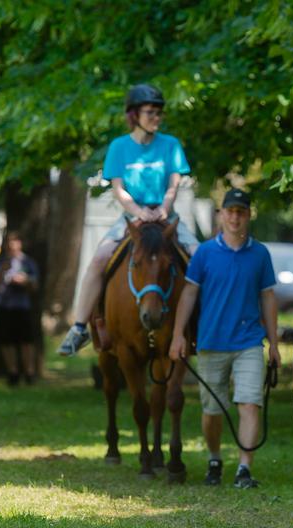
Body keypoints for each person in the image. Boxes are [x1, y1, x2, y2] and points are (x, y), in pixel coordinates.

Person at [58, 83, 200, 356]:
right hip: (132, 216)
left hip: (165, 214)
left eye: (159, 112)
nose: (156, 118)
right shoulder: (119, 147)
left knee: (201, 257)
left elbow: (174, 183)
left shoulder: (171, 145)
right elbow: (118, 190)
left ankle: (201, 328)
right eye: (150, 112)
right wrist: (139, 212)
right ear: (134, 115)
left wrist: (164, 208)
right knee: (99, 259)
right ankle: (79, 328)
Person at [169, 188, 280, 488]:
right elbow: (189, 294)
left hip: (249, 343)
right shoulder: (204, 252)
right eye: (229, 211)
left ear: (247, 216)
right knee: (212, 410)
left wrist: (274, 344)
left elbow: (268, 298)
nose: (234, 217)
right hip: (211, 341)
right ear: (220, 215)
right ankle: (214, 458)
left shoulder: (260, 254)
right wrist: (178, 335)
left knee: (249, 404)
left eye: (240, 212)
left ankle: (244, 469)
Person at [0, 231, 39, 385]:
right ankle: (12, 372)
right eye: (9, 245)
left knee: (26, 341)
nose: (11, 248)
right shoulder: (0, 263)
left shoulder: (28, 263)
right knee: (6, 342)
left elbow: (35, 286)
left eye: (14, 244)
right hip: (4, 306)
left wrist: (25, 282)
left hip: (22, 306)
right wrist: (2, 271)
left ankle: (29, 373)